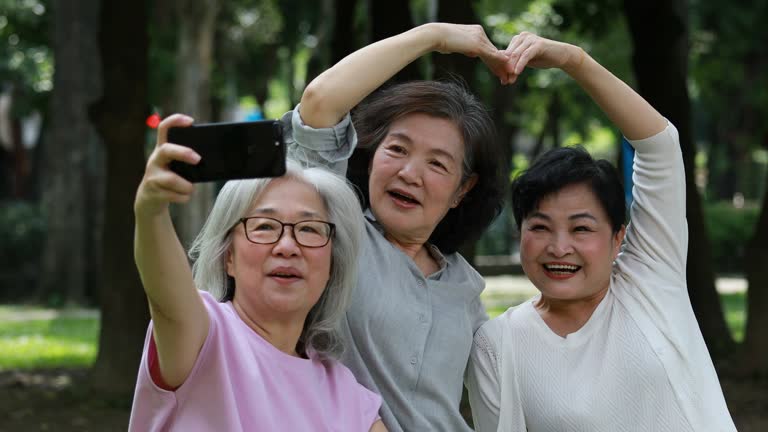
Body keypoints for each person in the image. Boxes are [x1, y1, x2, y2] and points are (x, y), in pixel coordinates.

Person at [467, 33, 736, 431]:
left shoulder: (648, 279)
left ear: (618, 238)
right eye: (540, 226)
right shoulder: (498, 344)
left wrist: (574, 60)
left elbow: (660, 146)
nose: (559, 248)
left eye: (581, 228)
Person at [285, 23, 509, 431]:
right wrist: (433, 36)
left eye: (437, 164)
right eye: (397, 149)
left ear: (463, 189)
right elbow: (319, 104)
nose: (409, 173)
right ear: (372, 157)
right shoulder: (335, 231)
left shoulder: (464, 284)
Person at [128, 114, 387, 431]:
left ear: (332, 264)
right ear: (228, 258)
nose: (288, 246)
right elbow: (166, 297)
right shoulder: (205, 335)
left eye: (309, 229)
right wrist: (151, 209)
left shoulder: (348, 396)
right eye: (265, 226)